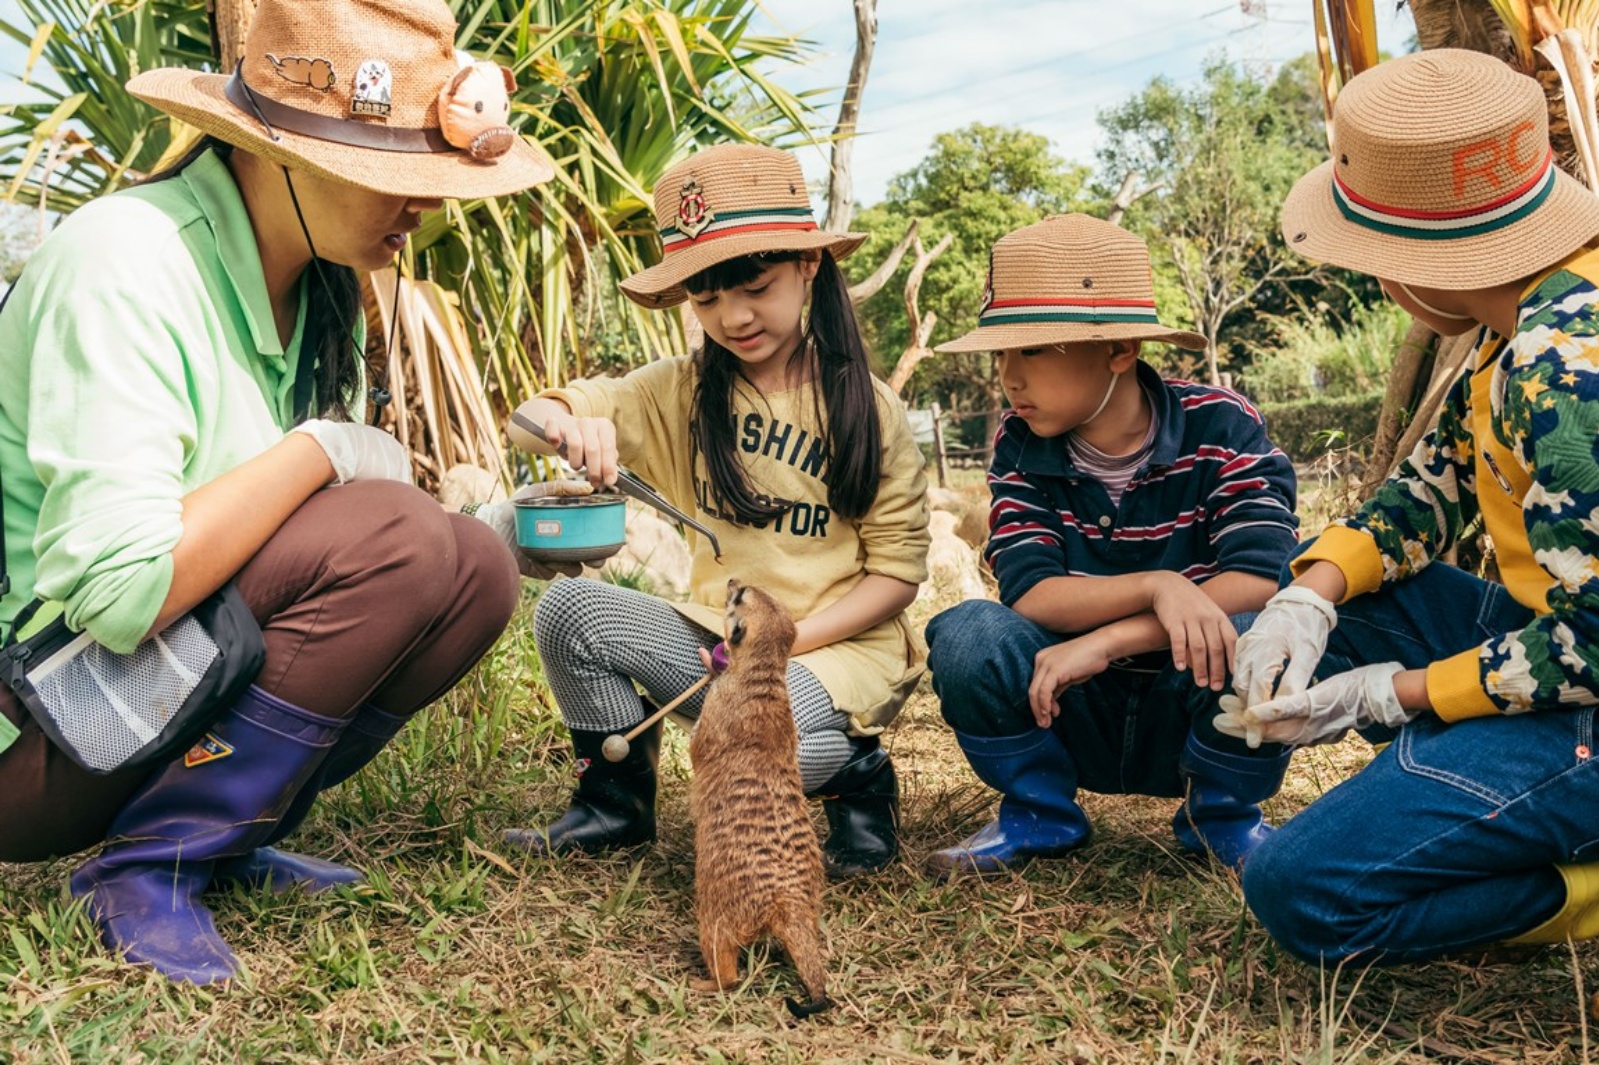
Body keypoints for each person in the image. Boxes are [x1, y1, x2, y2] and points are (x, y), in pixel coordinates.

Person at [0, 0, 558, 984]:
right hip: (38, 730)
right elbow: (124, 596)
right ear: (282, 155)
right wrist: (321, 450)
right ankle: (147, 865)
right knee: (401, 536)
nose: (423, 203)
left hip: (123, 703)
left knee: (474, 565)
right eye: (395, 176)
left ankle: (223, 838)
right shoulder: (125, 260)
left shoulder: (310, 286)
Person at [1225, 49, 1599, 964]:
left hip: (1580, 680)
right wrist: (1309, 593)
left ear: (1415, 262)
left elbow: (1594, 645)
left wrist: (1395, 694)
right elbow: (1428, 488)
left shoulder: (1565, 373)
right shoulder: (1522, 320)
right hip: (1539, 628)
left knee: (1306, 890)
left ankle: (1576, 884)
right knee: (1318, 597)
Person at [500, 143, 932, 879]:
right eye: (705, 298)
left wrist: (779, 645)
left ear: (808, 266)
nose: (732, 316)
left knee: (743, 726)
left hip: (833, 652)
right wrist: (568, 423)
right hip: (718, 641)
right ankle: (614, 803)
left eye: (755, 287)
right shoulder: (680, 391)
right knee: (569, 611)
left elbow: (896, 577)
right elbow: (527, 418)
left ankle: (858, 777)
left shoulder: (870, 410)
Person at [922, 214, 1299, 878]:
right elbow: (1032, 592)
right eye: (1000, 354)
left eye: (1033, 350)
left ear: (1120, 349)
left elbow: (1261, 576)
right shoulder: (1020, 443)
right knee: (965, 632)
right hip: (1064, 702)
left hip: (1194, 701)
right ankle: (1038, 811)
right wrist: (1159, 584)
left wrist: (1107, 639)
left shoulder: (1222, 424)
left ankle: (1222, 815)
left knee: (1256, 629)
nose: (1009, 376)